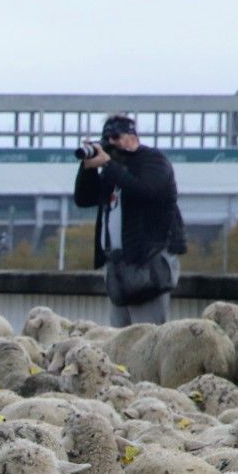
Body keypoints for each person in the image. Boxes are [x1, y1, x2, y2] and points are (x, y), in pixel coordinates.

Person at [74, 114, 186, 327]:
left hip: (148, 261)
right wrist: (87, 168)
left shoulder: (153, 160)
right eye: (107, 139)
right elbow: (84, 198)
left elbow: (146, 190)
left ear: (133, 137)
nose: (111, 143)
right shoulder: (113, 171)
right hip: (118, 266)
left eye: (116, 137)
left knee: (145, 338)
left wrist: (108, 165)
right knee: (118, 340)